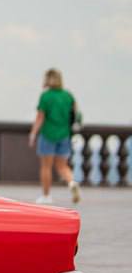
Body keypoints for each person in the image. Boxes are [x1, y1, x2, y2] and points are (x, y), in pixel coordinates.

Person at [28, 68, 81, 204]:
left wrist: (33, 133)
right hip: (64, 135)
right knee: (62, 166)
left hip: (48, 134)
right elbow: (76, 114)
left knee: (46, 166)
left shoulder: (46, 96)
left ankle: (46, 196)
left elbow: (40, 117)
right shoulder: (67, 95)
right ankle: (72, 183)